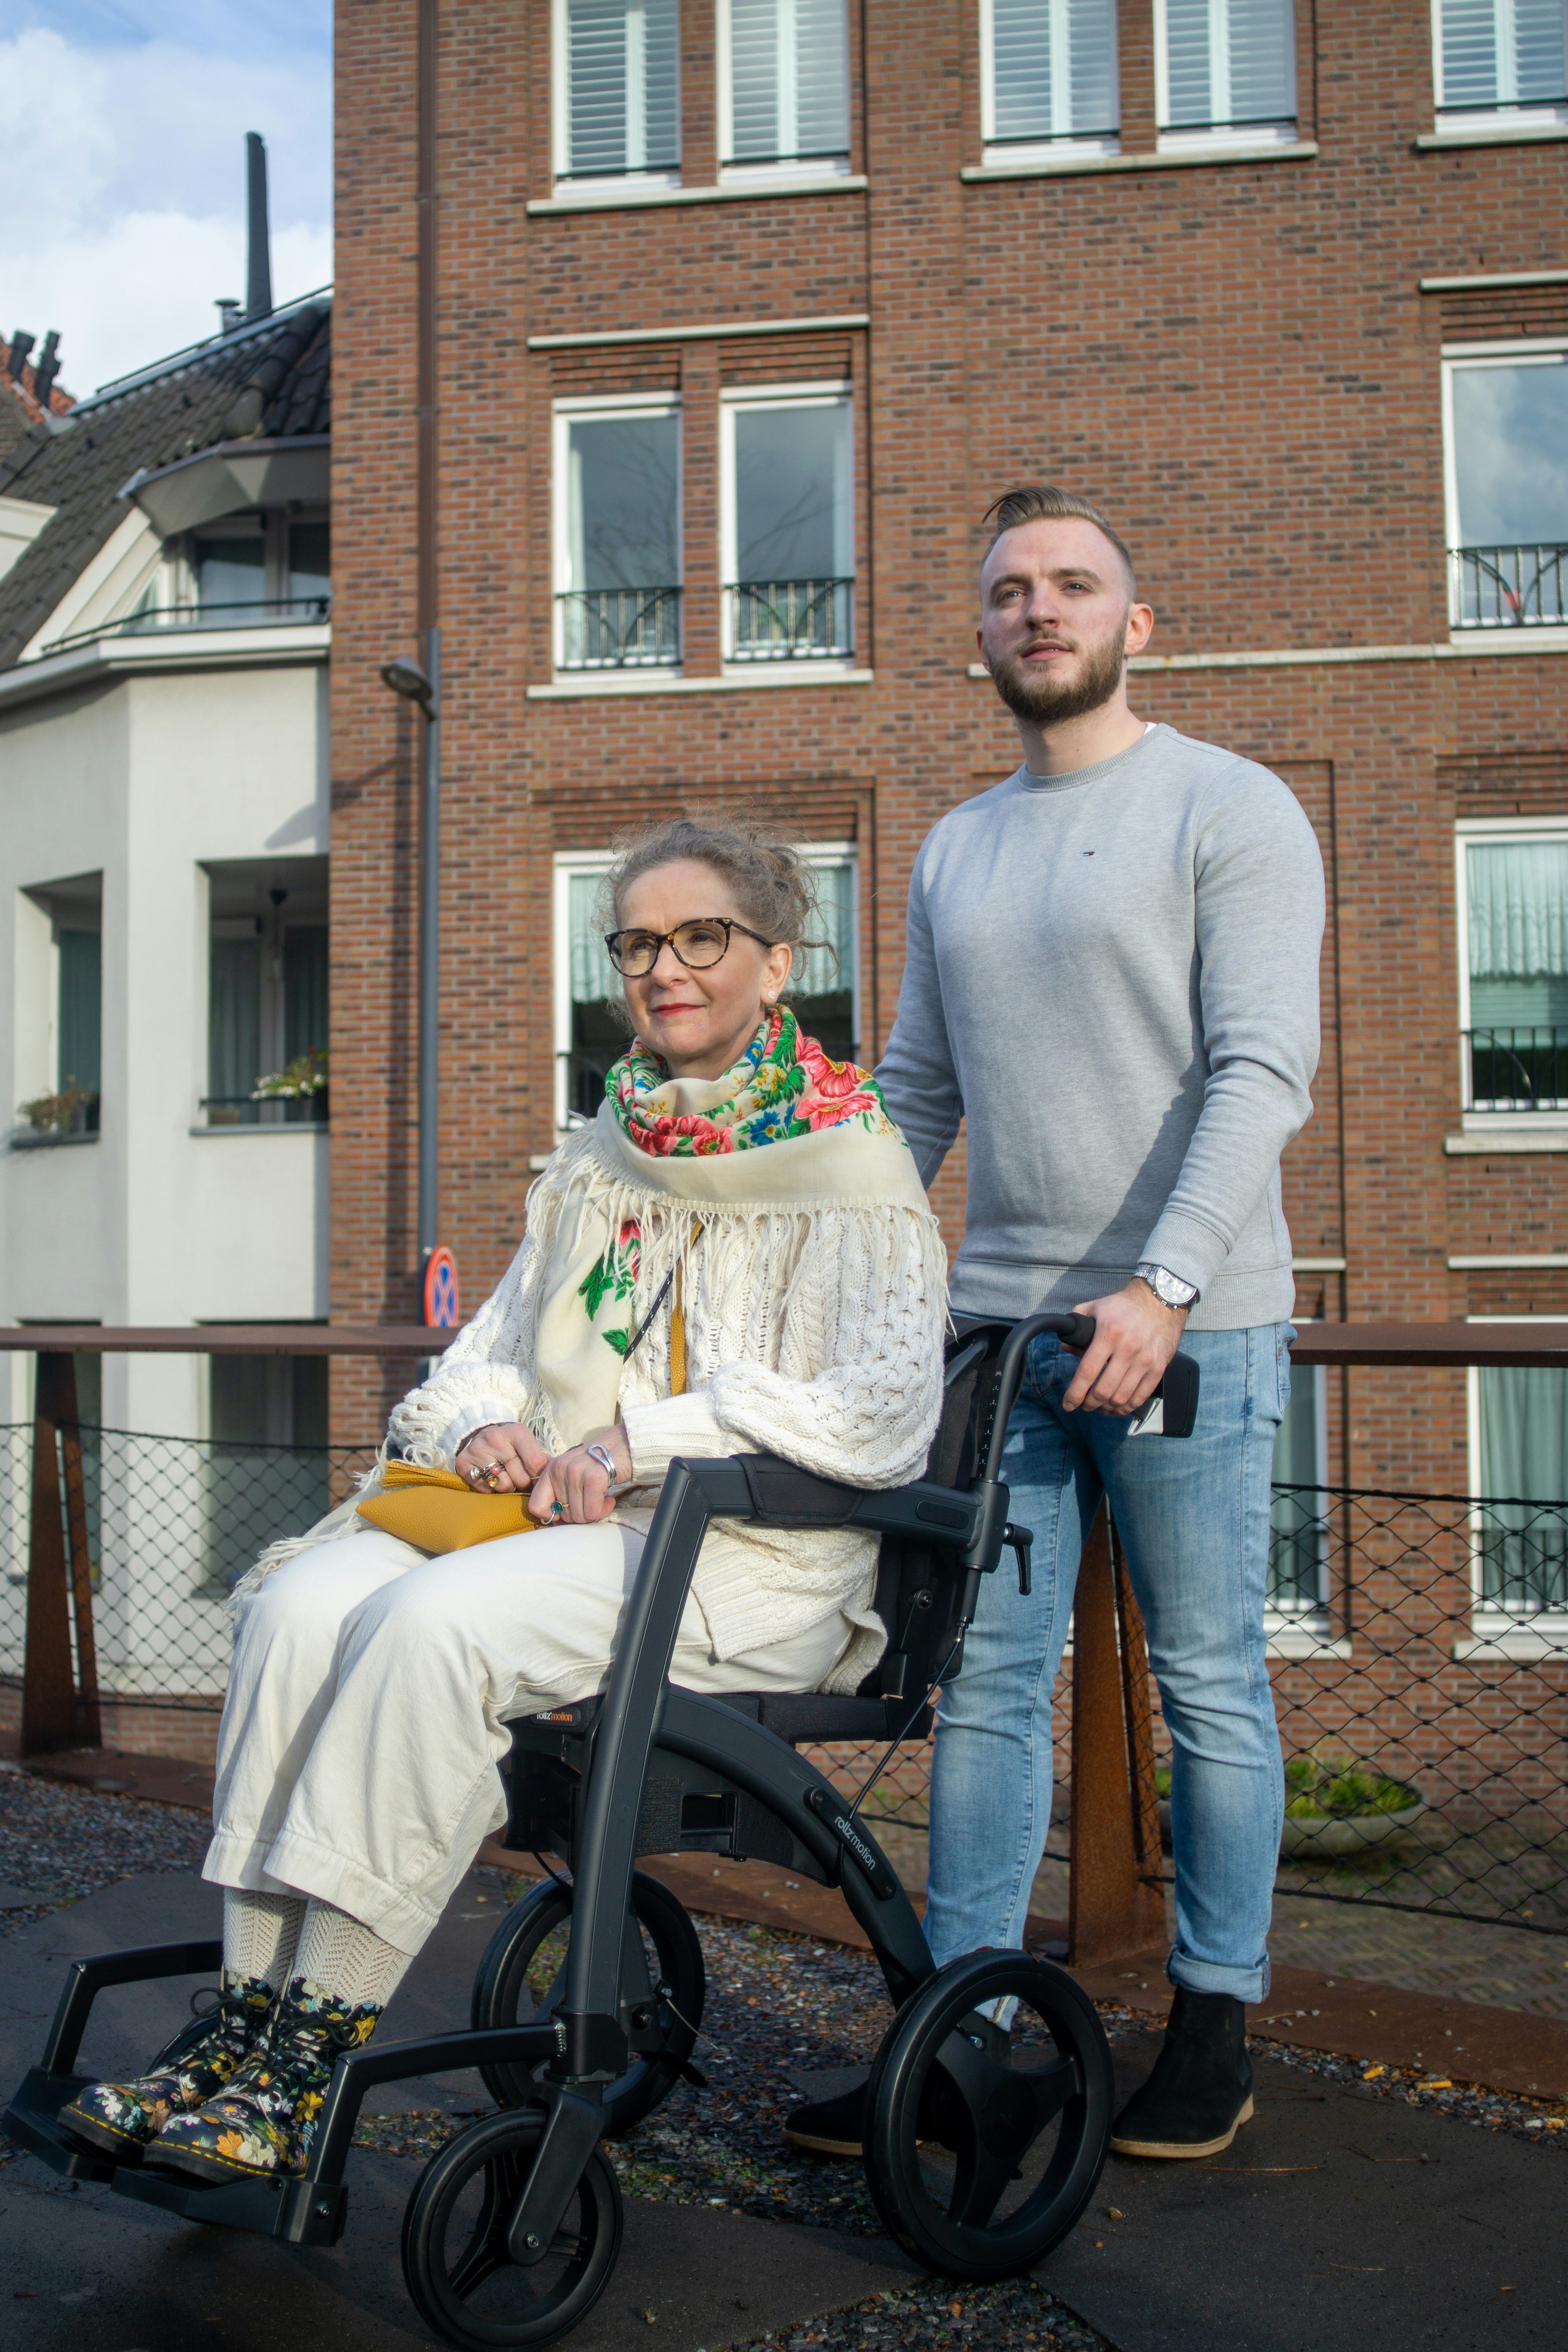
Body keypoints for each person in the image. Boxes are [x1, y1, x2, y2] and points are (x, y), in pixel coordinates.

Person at [62, 814, 948, 2185]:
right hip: (557, 1523)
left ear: (778, 962)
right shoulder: (609, 1152)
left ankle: (306, 2062)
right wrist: (483, 1422)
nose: (664, 968)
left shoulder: (853, 1163)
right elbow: (491, 1345)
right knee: (299, 1607)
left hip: (745, 1554)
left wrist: (639, 1440)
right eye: (638, 944)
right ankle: (239, 2022)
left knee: (432, 1628)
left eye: (701, 936)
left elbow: (880, 1411)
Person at [786, 484, 1324, 2165]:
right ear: (980, 632)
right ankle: (963, 2038)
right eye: (1011, 588)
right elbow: (915, 1094)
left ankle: (1214, 2022)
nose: (1041, 608)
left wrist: (1165, 1286)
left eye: (1074, 584)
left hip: (1191, 1333)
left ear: (1133, 623)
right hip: (1002, 1342)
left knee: (1210, 1683)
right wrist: (816, 1270)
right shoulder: (957, 845)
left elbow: (1261, 1072)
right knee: (987, 1686)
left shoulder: (1227, 806)